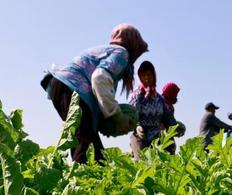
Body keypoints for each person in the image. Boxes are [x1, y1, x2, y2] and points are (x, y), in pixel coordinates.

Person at [41, 24, 148, 164]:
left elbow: (99, 90)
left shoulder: (106, 50)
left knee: (90, 142)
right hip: (73, 89)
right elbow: (99, 78)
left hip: (62, 86)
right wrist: (116, 115)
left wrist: (100, 122)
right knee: (84, 140)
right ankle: (80, 179)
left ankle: (91, 175)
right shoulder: (121, 53)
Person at [129, 61, 177, 159]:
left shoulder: (159, 98)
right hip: (140, 135)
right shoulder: (136, 95)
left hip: (156, 134)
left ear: (153, 76)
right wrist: (137, 126)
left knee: (168, 158)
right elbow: (131, 115)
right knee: (141, 160)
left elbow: (168, 117)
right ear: (140, 77)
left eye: (149, 74)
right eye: (143, 75)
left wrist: (175, 127)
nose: (147, 78)